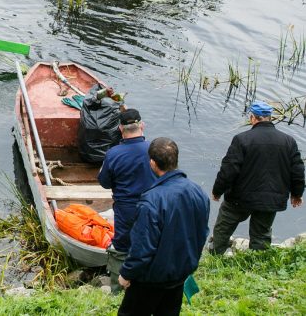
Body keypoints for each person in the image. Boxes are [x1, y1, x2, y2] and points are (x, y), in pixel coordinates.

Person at [118, 138, 209, 316]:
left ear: (152, 163)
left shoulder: (151, 200)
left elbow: (143, 248)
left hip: (151, 279)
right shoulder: (198, 192)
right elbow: (202, 232)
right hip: (179, 274)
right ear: (175, 159)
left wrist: (126, 274)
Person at [210, 101, 304, 254]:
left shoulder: (241, 139)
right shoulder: (288, 141)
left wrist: (217, 191)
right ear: (270, 118)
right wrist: (297, 194)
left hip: (240, 198)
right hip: (270, 199)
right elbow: (298, 170)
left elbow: (229, 169)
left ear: (253, 118)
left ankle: (216, 255)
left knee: (224, 225)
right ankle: (258, 261)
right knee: (261, 234)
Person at [97, 109, 156, 293]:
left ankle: (116, 290)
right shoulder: (154, 150)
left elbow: (105, 183)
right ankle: (147, 284)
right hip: (153, 206)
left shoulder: (113, 154)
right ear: (142, 126)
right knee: (151, 242)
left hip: (126, 210)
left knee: (121, 247)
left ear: (120, 128)